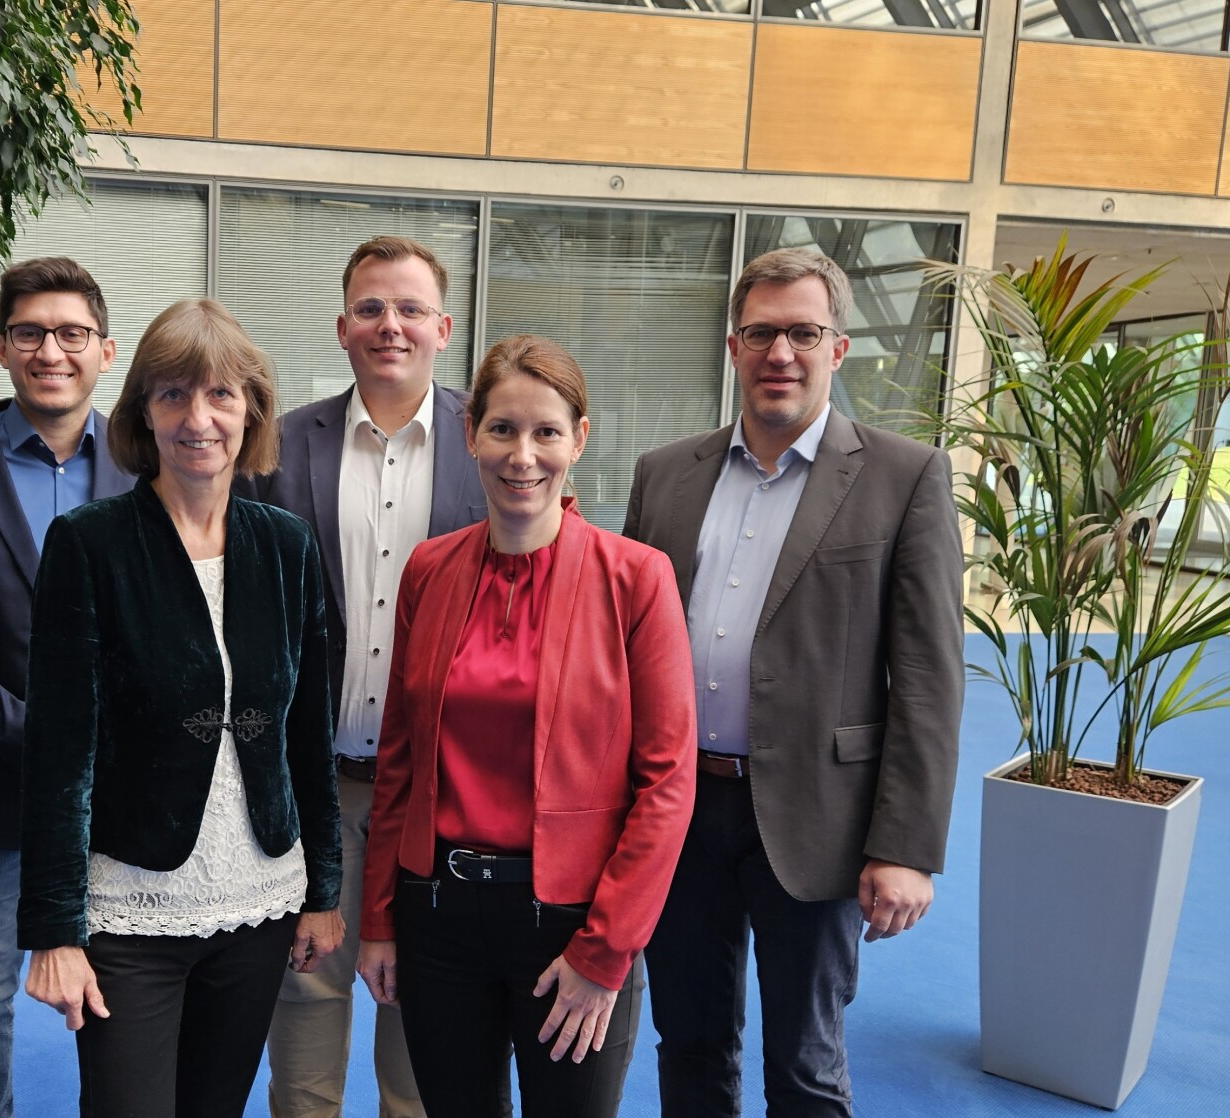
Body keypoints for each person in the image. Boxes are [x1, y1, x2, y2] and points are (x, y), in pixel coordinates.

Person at [623, 248, 964, 1117]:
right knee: (689, 1046)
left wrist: (907, 847)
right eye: (762, 333)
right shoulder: (664, 475)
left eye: (804, 333)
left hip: (819, 819)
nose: (781, 352)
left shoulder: (904, 477)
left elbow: (928, 679)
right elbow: (622, 654)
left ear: (837, 348)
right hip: (678, 811)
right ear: (733, 347)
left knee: (806, 1066)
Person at [17, 298, 343, 1118]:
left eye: (221, 394)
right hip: (130, 909)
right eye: (173, 395)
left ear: (252, 410)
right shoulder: (90, 544)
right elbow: (59, 753)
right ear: (143, 412)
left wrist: (323, 890)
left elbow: (308, 736)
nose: (198, 419)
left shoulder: (287, 545)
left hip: (260, 900)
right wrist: (55, 930)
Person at [357, 334, 698, 1117]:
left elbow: (667, 783)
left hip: (573, 925)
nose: (523, 456)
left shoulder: (637, 579)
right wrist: (378, 919)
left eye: (546, 431)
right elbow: (400, 759)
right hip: (437, 916)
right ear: (471, 433)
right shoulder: (428, 571)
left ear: (579, 439)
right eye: (503, 429)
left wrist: (605, 951)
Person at [254, 234, 487, 1118]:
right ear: (343, 325)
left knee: (425, 1010)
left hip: (442, 792)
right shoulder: (280, 447)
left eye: (410, 308)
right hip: (314, 783)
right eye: (371, 308)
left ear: (443, 328)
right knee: (306, 990)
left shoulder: (491, 442)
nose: (391, 325)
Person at [0, 257, 135, 1118]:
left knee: (127, 992)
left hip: (124, 800)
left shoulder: (147, 461)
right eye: (30, 332)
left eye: (72, 333)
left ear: (106, 350)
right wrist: (37, 735)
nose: (51, 351)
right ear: (1, 346)